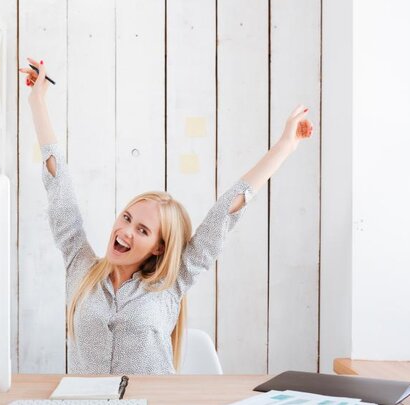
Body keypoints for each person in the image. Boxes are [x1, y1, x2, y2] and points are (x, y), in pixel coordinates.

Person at [19, 57, 313, 374]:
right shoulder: (81, 267)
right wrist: (37, 101)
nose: (126, 231)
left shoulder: (172, 282)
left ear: (159, 247)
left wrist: (285, 146)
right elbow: (57, 183)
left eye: (143, 230)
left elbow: (227, 209)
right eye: (127, 218)